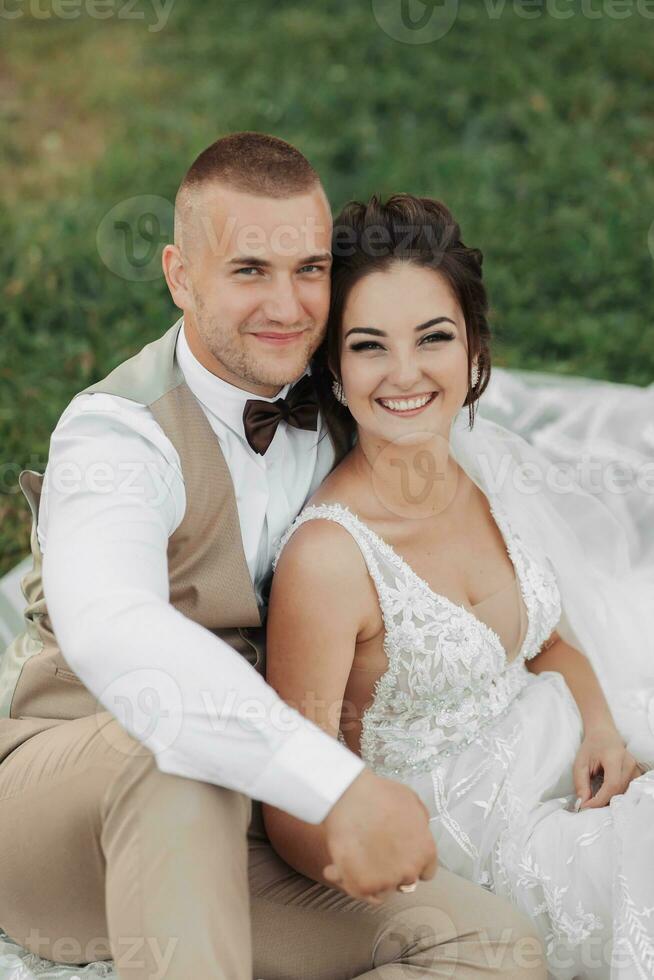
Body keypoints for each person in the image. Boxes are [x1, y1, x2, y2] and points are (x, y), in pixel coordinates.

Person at [0, 135, 546, 980]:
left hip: (248, 825)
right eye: (250, 269)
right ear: (180, 275)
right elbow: (116, 630)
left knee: (492, 948)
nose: (288, 306)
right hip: (65, 815)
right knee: (166, 743)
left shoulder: (342, 396)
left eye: (311, 270)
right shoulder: (117, 433)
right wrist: (335, 785)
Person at [266, 192, 654, 980]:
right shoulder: (330, 560)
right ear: (333, 368)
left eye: (433, 338)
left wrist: (604, 729)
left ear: (473, 350)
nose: (405, 375)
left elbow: (543, 640)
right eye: (370, 346)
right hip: (492, 855)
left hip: (578, 775)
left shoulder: (480, 466)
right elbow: (289, 796)